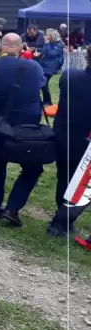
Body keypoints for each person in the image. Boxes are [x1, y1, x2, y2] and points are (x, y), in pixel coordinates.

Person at [0, 34, 46, 226]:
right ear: (21, 48)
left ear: (1, 47)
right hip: (25, 131)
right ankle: (12, 208)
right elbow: (41, 85)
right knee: (33, 169)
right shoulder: (34, 67)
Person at [46, 46, 91, 237]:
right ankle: (62, 221)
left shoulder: (69, 75)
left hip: (63, 136)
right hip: (85, 142)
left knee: (64, 178)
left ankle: (61, 220)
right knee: (82, 185)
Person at [38, 28, 64, 106]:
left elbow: (51, 54)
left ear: (51, 36)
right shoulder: (49, 43)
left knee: (44, 83)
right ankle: (47, 101)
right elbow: (44, 51)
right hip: (44, 65)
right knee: (42, 84)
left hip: (51, 67)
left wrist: (46, 44)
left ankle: (48, 101)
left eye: (47, 35)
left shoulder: (58, 44)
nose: (45, 36)